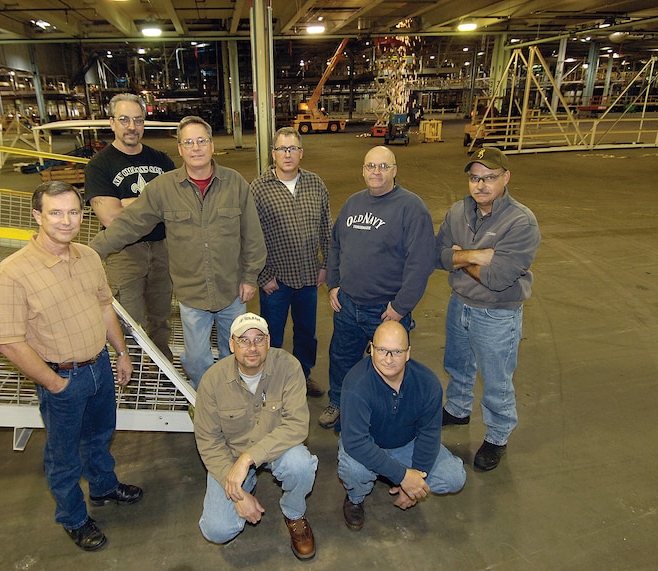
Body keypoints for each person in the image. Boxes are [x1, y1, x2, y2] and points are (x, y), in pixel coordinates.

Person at [0, 181, 143, 552]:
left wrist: (121, 352)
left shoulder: (88, 256)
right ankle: (73, 518)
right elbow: (8, 340)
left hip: (100, 366)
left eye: (73, 211)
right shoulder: (10, 274)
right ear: (37, 216)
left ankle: (104, 487)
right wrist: (54, 383)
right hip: (63, 376)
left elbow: (105, 306)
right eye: (55, 212)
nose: (66, 220)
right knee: (64, 455)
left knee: (100, 437)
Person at [89, 116, 267, 388]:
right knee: (196, 360)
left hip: (232, 290)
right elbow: (129, 224)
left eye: (201, 141)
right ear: (180, 150)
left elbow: (252, 235)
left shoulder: (235, 183)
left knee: (238, 355)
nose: (196, 147)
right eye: (188, 142)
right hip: (192, 294)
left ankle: (235, 400)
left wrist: (250, 276)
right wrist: (90, 253)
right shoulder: (163, 188)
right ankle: (209, 399)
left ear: (212, 146)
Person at [436, 147, 541, 471]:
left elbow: (496, 279)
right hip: (461, 304)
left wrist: (461, 256)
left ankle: (497, 434)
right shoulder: (458, 211)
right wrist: (477, 256)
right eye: (475, 178)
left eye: (490, 178)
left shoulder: (520, 221)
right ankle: (457, 408)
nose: (481, 185)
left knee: (496, 378)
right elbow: (438, 254)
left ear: (505, 178)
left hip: (497, 314)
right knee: (458, 364)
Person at [319, 145, 436, 430]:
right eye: (371, 166)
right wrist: (333, 285)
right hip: (347, 305)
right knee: (341, 358)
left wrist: (400, 307)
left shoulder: (411, 208)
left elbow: (420, 263)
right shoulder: (353, 203)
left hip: (385, 310)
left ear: (395, 170)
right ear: (363, 170)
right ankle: (339, 402)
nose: (376, 172)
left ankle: (387, 413)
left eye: (383, 166)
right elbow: (335, 245)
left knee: (389, 365)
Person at [193, 313, 318, 560]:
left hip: (276, 448)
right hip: (231, 456)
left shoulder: (289, 367)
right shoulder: (212, 381)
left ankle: (294, 513)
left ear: (268, 341)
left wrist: (249, 458)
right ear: (231, 344)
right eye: (243, 340)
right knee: (217, 530)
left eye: (258, 339)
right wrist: (238, 494)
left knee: (301, 464)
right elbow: (208, 442)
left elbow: (296, 424)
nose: (252, 348)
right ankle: (245, 488)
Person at [338, 321, 466, 531]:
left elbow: (429, 433)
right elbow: (355, 442)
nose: (389, 359)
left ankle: (391, 476)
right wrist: (403, 476)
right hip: (368, 445)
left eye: (397, 352)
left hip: (407, 443)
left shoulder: (427, 383)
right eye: (382, 350)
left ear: (408, 353)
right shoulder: (356, 384)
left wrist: (414, 479)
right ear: (371, 349)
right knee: (354, 470)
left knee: (453, 477)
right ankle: (355, 497)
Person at [84, 93, 176, 361]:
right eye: (124, 119)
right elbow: (112, 219)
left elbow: (175, 208)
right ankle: (134, 382)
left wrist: (127, 202)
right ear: (112, 123)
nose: (131, 126)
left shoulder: (162, 161)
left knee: (161, 320)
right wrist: (154, 204)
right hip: (124, 255)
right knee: (129, 322)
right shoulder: (100, 165)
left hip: (163, 250)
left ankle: (162, 373)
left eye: (137, 120)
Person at [250, 127, 332, 398]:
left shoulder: (316, 183)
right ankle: (270, 381)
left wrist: (325, 265)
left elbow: (325, 227)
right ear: (273, 154)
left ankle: (302, 376)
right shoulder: (259, 188)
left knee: (306, 332)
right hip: (276, 280)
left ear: (301, 153)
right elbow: (251, 235)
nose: (287, 154)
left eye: (292, 149)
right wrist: (264, 277)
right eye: (282, 149)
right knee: (271, 334)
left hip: (309, 277)